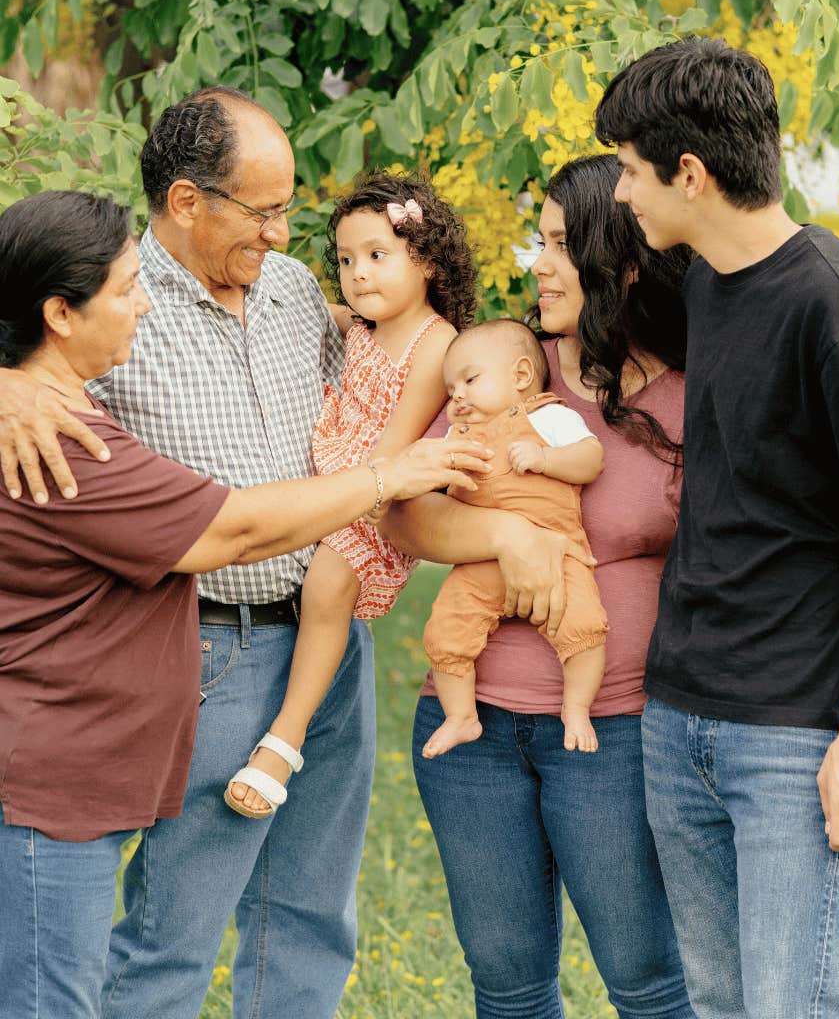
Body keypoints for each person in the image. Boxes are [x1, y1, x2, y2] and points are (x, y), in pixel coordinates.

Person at [0, 89, 492, 1019]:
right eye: (262, 210)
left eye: (288, 210)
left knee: (311, 918)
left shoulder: (298, 289)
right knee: (173, 935)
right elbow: (27, 337)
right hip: (207, 648)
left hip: (327, 637)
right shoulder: (111, 312)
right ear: (188, 201)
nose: (279, 233)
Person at [384, 154, 695, 1018]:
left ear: (621, 260)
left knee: (648, 980)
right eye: (540, 241)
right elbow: (402, 514)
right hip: (473, 727)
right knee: (509, 986)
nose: (538, 265)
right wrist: (506, 532)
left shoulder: (689, 393)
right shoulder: (502, 371)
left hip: (618, 730)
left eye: (561, 245)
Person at [595, 36, 839, 1018]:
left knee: (795, 1005)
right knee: (721, 1004)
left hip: (791, 732)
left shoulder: (826, 300)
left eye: (628, 171)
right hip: (681, 714)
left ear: (689, 174)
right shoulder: (700, 277)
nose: (621, 195)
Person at [224, 173, 477, 818]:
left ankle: (286, 737)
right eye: (345, 260)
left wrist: (338, 490)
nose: (358, 274)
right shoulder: (358, 321)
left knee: (330, 579)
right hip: (331, 468)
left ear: (425, 259)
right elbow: (298, 311)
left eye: (377, 255)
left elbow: (391, 453)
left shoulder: (436, 343)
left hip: (378, 491)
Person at [421, 318, 607, 758]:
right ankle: (460, 716)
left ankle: (577, 708)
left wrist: (545, 459)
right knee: (447, 628)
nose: (458, 396)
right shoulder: (456, 437)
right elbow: (431, 497)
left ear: (521, 376)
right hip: (481, 562)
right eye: (451, 391)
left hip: (556, 552)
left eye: (470, 380)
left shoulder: (550, 416)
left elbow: (591, 459)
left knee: (583, 625)